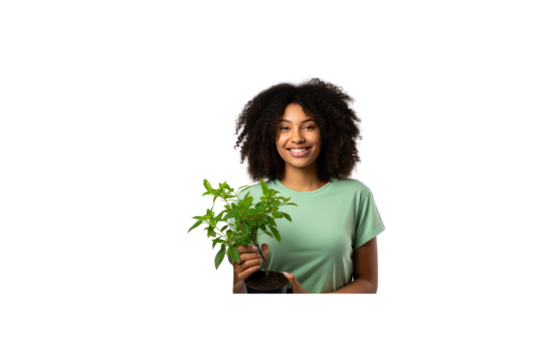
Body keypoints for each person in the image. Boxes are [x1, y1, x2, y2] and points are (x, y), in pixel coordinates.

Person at [228, 73, 386, 295]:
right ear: (268, 135)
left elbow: (369, 284)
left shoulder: (357, 194)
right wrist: (239, 276)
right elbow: (239, 290)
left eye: (308, 126)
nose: (297, 138)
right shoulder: (247, 200)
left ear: (327, 131)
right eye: (284, 128)